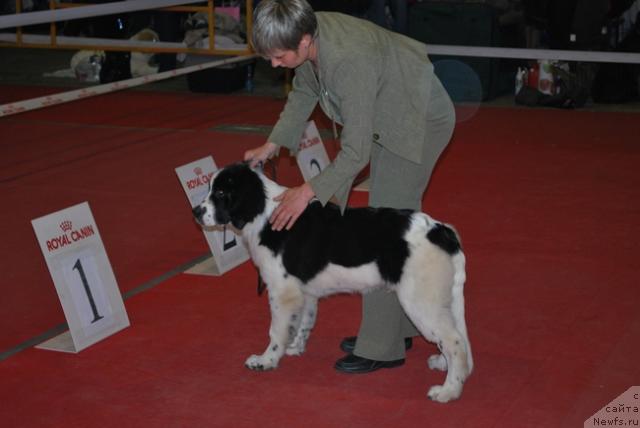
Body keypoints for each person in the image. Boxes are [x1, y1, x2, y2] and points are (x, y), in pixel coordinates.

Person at [244, 0, 455, 374]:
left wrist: (305, 192)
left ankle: (382, 346)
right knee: (380, 223)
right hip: (388, 108)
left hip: (415, 119)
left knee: (385, 229)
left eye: (278, 56)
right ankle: (400, 326)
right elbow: (304, 92)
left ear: (305, 41)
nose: (275, 65)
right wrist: (274, 142)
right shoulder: (311, 39)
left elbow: (355, 152)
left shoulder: (349, 61)